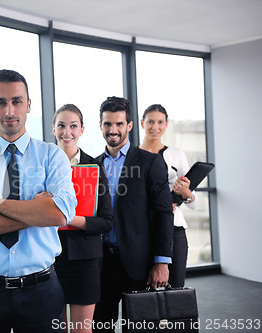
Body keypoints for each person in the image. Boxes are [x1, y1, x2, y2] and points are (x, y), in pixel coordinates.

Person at [0, 69, 77, 333]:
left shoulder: (52, 156)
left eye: (17, 101)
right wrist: (34, 212)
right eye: (0, 102)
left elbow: (60, 214)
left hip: (41, 290)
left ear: (28, 105)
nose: (9, 110)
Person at [92, 96, 174, 332]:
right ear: (100, 126)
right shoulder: (92, 166)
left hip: (138, 262)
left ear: (129, 125)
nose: (113, 130)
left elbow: (163, 213)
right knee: (100, 326)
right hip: (101, 263)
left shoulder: (150, 162)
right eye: (107, 124)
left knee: (139, 327)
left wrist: (161, 261)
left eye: (119, 124)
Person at [52, 104, 113, 333]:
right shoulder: (41, 165)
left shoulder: (95, 167)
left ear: (82, 130)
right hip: (49, 256)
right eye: (61, 125)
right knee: (54, 328)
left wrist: (70, 219)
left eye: (73, 126)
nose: (67, 132)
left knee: (80, 330)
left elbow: (106, 221)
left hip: (84, 260)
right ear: (53, 129)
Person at [139, 104, 197, 288]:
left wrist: (185, 193)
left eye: (160, 122)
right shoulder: (134, 156)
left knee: (176, 288)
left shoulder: (176, 155)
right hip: (144, 231)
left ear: (166, 124)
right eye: (150, 122)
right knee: (144, 290)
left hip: (175, 228)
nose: (155, 127)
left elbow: (193, 203)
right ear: (142, 123)